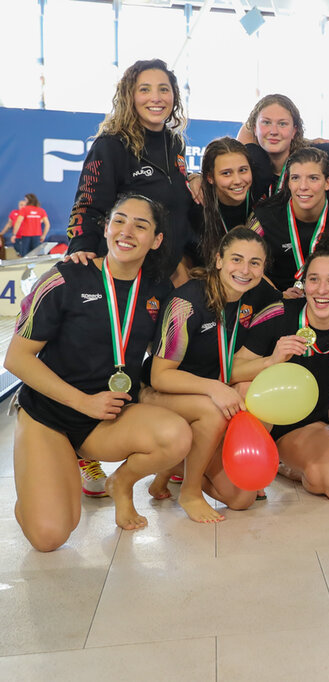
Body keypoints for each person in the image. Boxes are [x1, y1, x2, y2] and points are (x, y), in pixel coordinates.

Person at [4, 194, 190, 550]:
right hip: (50, 414)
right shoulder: (65, 279)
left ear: (157, 240)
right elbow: (17, 359)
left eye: (141, 225)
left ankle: (117, 482)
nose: (127, 231)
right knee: (50, 535)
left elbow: (166, 353)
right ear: (105, 228)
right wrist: (84, 402)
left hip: (105, 418)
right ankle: (40, 488)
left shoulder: (157, 291)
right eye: (119, 220)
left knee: (175, 435)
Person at [142, 227, 272, 522]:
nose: (245, 270)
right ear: (218, 260)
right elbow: (161, 376)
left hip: (199, 394)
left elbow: (294, 304)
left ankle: (171, 466)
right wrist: (214, 388)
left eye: (255, 263)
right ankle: (189, 492)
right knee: (214, 410)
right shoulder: (186, 303)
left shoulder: (252, 295)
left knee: (241, 498)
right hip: (158, 393)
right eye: (236, 260)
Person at [235, 232, 329, 494]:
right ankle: (259, 459)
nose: (321, 290)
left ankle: (284, 463)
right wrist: (271, 361)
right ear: (304, 283)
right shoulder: (279, 313)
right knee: (245, 390)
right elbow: (231, 371)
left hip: (305, 426)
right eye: (313, 280)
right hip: (256, 418)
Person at [66, 59, 193, 285]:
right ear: (130, 96)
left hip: (163, 277)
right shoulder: (111, 145)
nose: (156, 97)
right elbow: (87, 205)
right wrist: (81, 246)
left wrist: (195, 178)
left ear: (174, 96)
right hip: (123, 276)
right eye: (145, 89)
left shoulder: (175, 144)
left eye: (164, 89)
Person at [248, 147, 329, 296]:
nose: (303, 187)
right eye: (295, 178)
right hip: (277, 303)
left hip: (327, 300)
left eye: (313, 178)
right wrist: (277, 295)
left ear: (327, 183)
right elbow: (244, 263)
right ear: (288, 182)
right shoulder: (264, 216)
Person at [195, 137, 259, 266]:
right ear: (210, 177)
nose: (237, 180)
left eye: (243, 170)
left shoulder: (260, 197)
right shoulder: (196, 209)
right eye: (226, 173)